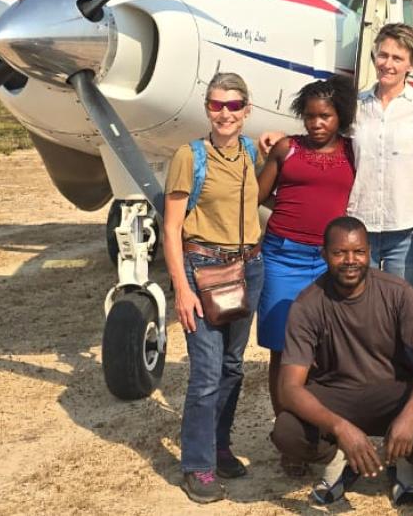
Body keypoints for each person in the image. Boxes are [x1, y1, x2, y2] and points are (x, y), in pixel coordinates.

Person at [271, 217, 413, 506]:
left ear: (369, 252)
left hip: (391, 393)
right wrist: (340, 428)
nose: (350, 260)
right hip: (335, 395)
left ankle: (403, 461)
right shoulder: (307, 304)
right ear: (324, 254)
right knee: (287, 430)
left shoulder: (396, 292)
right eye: (339, 252)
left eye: (358, 252)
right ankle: (338, 458)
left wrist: (409, 414)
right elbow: (289, 388)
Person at [261, 24, 413, 295]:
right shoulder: (355, 107)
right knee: (363, 310)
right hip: (359, 228)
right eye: (383, 55)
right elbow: (324, 135)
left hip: (405, 229)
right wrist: (282, 136)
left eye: (397, 58)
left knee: (402, 306)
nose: (387, 64)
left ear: (410, 64)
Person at [162, 72, 265, 504]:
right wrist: (181, 290)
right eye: (217, 105)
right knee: (205, 373)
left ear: (247, 111)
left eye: (234, 105)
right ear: (207, 109)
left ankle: (220, 448)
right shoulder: (190, 156)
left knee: (233, 366)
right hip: (203, 270)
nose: (225, 113)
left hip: (247, 269)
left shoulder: (248, 151)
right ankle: (197, 465)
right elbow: (170, 228)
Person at [257, 76, 357, 415]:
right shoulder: (287, 148)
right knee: (282, 349)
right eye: (310, 116)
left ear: (340, 116)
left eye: (325, 116)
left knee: (328, 349)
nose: (316, 123)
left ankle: (318, 424)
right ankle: (286, 431)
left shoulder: (353, 151)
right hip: (281, 257)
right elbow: (257, 195)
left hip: (331, 264)